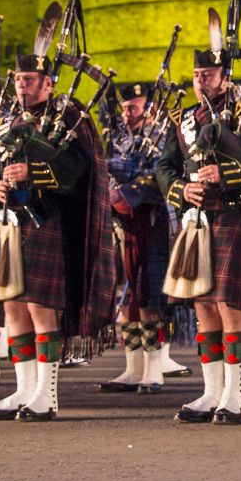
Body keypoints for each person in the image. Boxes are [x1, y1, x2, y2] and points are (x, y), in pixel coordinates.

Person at [157, 11, 241, 426]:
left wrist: (224, 173)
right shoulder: (186, 119)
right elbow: (165, 167)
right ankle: (210, 391)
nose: (200, 81)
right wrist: (182, 190)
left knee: (230, 305)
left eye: (208, 74)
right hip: (197, 218)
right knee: (203, 306)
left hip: (234, 214)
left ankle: (234, 394)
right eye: (196, 74)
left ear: (224, 76)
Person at [0, 43, 117, 422]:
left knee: (41, 308)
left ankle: (46, 393)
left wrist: (34, 173)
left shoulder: (71, 118)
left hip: (49, 222)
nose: (22, 86)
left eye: (30, 80)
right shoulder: (5, 122)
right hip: (11, 224)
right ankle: (23, 389)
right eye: (19, 79)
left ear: (48, 83)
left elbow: (79, 171)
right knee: (13, 306)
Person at [99, 83, 174, 394]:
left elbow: (160, 177)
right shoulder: (116, 138)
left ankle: (154, 369)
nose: (128, 113)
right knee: (126, 297)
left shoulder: (161, 137)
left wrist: (126, 192)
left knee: (149, 296)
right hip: (122, 223)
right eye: (126, 107)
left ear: (148, 109)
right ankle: (133, 368)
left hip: (151, 223)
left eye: (134, 107)